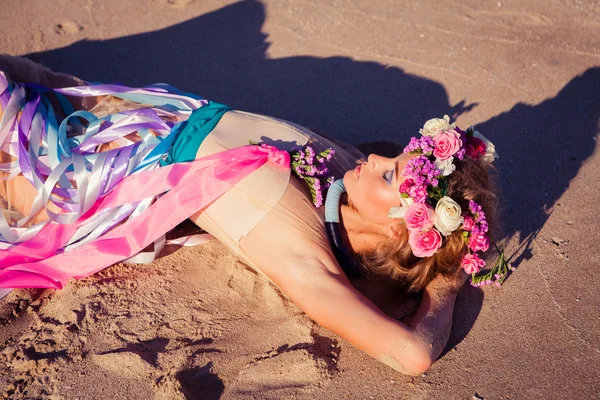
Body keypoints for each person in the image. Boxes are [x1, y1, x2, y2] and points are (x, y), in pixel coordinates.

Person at [0, 55, 500, 376]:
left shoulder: (302, 254)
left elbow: (411, 355)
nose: (379, 161)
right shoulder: (348, 174)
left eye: (390, 177)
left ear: (396, 228)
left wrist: (447, 284)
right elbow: (387, 159)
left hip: (74, 175)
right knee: (23, 75)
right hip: (136, 114)